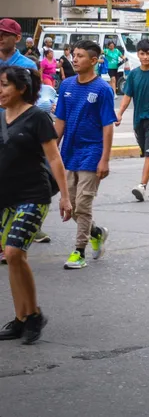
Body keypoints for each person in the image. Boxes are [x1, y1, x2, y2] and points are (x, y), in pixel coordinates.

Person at [0, 66, 71, 344]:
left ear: (21, 88)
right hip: (4, 199)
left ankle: (35, 315)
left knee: (14, 253)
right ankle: (20, 318)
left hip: (32, 195)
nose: (0, 90)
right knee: (14, 260)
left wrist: (65, 196)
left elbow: (54, 158)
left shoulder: (38, 117)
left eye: (5, 85)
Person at [54, 40, 114, 269]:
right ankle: (96, 232)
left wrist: (105, 159)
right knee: (71, 206)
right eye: (74, 55)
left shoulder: (102, 89)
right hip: (69, 153)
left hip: (92, 152)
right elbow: (60, 122)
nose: (75, 59)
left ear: (94, 60)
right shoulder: (67, 85)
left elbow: (108, 126)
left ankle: (79, 251)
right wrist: (49, 150)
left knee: (83, 204)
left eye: (80, 56)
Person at [117, 39, 149, 201]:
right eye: (142, 53)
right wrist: (119, 113)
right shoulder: (133, 74)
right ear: (137, 54)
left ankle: (142, 185)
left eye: (148, 53)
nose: (145, 57)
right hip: (138, 120)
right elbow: (127, 97)